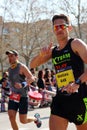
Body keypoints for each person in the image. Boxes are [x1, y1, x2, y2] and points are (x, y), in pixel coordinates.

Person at [30, 14, 87, 130]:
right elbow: (32, 64)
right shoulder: (53, 51)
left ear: (69, 28)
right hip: (61, 99)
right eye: (56, 27)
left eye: (62, 26)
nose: (59, 29)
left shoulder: (76, 44)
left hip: (79, 98)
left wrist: (77, 82)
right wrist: (41, 56)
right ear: (53, 30)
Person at [5, 50, 42, 130]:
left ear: (16, 56)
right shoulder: (9, 69)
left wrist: (22, 84)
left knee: (23, 120)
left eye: (11, 56)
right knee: (11, 117)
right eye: (8, 56)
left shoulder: (21, 67)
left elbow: (32, 78)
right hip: (13, 97)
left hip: (23, 97)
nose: (9, 58)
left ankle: (36, 119)